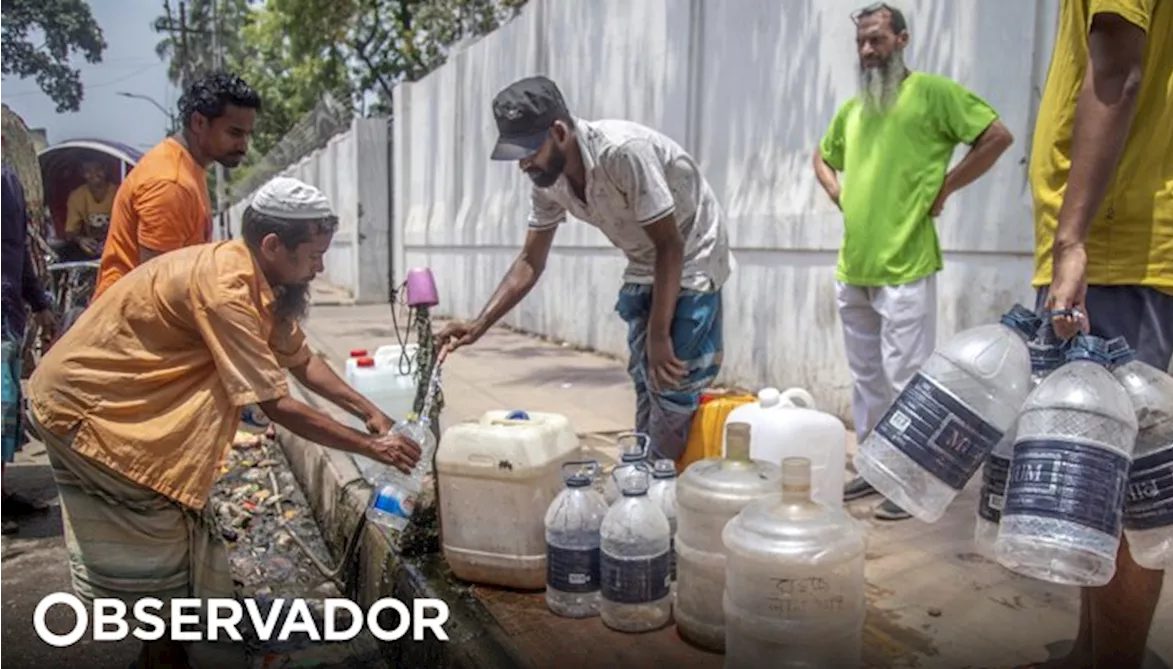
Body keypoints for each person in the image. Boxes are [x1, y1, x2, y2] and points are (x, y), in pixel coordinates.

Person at [26, 176, 421, 668]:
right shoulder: (225, 289)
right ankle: (164, 659)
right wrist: (373, 448)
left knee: (175, 540)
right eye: (314, 255)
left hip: (124, 407)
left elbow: (300, 360)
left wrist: (370, 412)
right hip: (91, 408)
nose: (320, 267)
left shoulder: (257, 278)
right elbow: (276, 403)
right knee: (163, 547)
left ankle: (165, 655)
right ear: (274, 245)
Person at [1027, 0, 1173, 667]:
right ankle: (1089, 651)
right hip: (1103, 245)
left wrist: (1071, 239)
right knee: (1090, 475)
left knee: (1123, 484)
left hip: (1114, 246)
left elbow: (1118, 72)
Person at [436, 75, 733, 463]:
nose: (523, 163)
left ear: (559, 131)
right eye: (516, 153)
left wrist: (659, 334)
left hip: (692, 252)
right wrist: (479, 324)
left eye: (528, 149)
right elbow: (530, 261)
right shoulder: (546, 181)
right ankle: (647, 476)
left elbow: (670, 244)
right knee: (646, 380)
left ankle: (657, 482)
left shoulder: (624, 153)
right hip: (644, 260)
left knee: (673, 381)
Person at [814, 3, 1013, 520]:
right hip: (853, 266)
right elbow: (821, 155)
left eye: (877, 39)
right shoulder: (854, 110)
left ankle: (912, 482)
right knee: (866, 380)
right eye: (861, 42)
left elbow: (997, 136)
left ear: (901, 40)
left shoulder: (934, 94)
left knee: (908, 379)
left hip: (907, 262)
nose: (866, 50)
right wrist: (837, 190)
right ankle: (876, 468)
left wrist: (948, 185)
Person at [93, 70, 260, 302]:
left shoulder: (188, 169)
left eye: (247, 135)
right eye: (234, 133)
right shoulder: (171, 183)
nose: (243, 145)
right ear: (199, 122)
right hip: (129, 328)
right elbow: (160, 291)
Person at [0, 130, 58, 535]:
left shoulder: (10, 186)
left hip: (7, 313)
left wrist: (39, 302)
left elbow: (17, 251)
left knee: (5, 409)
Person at [62, 158, 118, 260]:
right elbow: (70, 231)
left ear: (106, 170)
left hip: (116, 244)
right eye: (88, 170)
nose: (94, 174)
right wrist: (81, 240)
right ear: (82, 173)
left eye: (98, 169)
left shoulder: (119, 192)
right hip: (92, 246)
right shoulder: (76, 196)